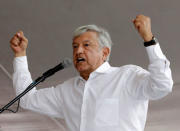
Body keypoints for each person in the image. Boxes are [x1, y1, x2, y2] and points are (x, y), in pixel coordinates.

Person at [10, 15, 173, 131]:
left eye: (86, 45)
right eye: (75, 46)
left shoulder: (127, 77)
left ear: (104, 52)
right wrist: (20, 55)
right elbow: (26, 99)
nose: (78, 51)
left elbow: (162, 85)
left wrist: (149, 40)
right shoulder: (67, 90)